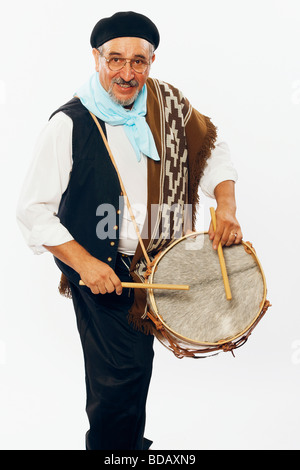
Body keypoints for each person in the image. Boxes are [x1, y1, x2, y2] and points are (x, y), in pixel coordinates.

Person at [16, 11, 242, 450]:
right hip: (104, 269)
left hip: (161, 260)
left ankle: (123, 446)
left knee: (135, 371)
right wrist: (85, 265)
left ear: (152, 62)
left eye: (138, 61)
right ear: (96, 58)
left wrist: (227, 205)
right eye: (115, 59)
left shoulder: (169, 105)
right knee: (121, 376)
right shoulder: (70, 123)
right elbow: (33, 211)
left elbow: (213, 150)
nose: (127, 72)